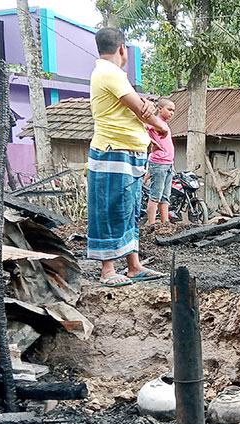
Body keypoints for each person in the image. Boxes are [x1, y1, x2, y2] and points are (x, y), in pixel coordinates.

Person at [87, 27, 168, 286]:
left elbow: (139, 107)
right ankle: (108, 269)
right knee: (110, 207)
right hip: (113, 151)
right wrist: (160, 125)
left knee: (129, 209)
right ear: (123, 49)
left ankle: (134, 265)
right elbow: (141, 110)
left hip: (128, 151)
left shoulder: (114, 76)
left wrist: (148, 109)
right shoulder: (108, 73)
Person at [145, 98, 176, 225]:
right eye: (169, 109)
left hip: (168, 163)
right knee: (155, 195)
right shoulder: (154, 121)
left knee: (165, 196)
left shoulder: (165, 124)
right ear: (160, 109)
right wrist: (151, 141)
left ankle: (165, 223)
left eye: (173, 111)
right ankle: (151, 224)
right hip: (159, 163)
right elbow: (142, 126)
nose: (171, 113)